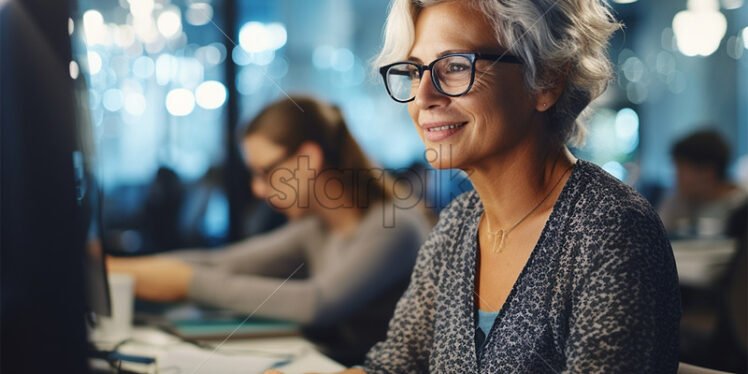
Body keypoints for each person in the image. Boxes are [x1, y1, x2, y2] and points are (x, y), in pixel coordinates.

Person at [268, 1, 681, 373]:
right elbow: (394, 366)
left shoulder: (610, 229)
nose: (423, 96)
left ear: (547, 82)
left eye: (455, 66)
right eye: (414, 71)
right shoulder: (458, 226)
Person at [108, 96, 433, 363]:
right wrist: (123, 267)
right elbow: (228, 262)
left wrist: (186, 283)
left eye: (265, 172)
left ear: (308, 158)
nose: (258, 189)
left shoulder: (394, 223)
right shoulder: (317, 228)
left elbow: (316, 302)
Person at [658, 129, 748, 239]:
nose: (676, 176)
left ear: (708, 172)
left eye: (682, 169)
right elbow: (656, 238)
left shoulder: (741, 206)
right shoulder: (676, 202)